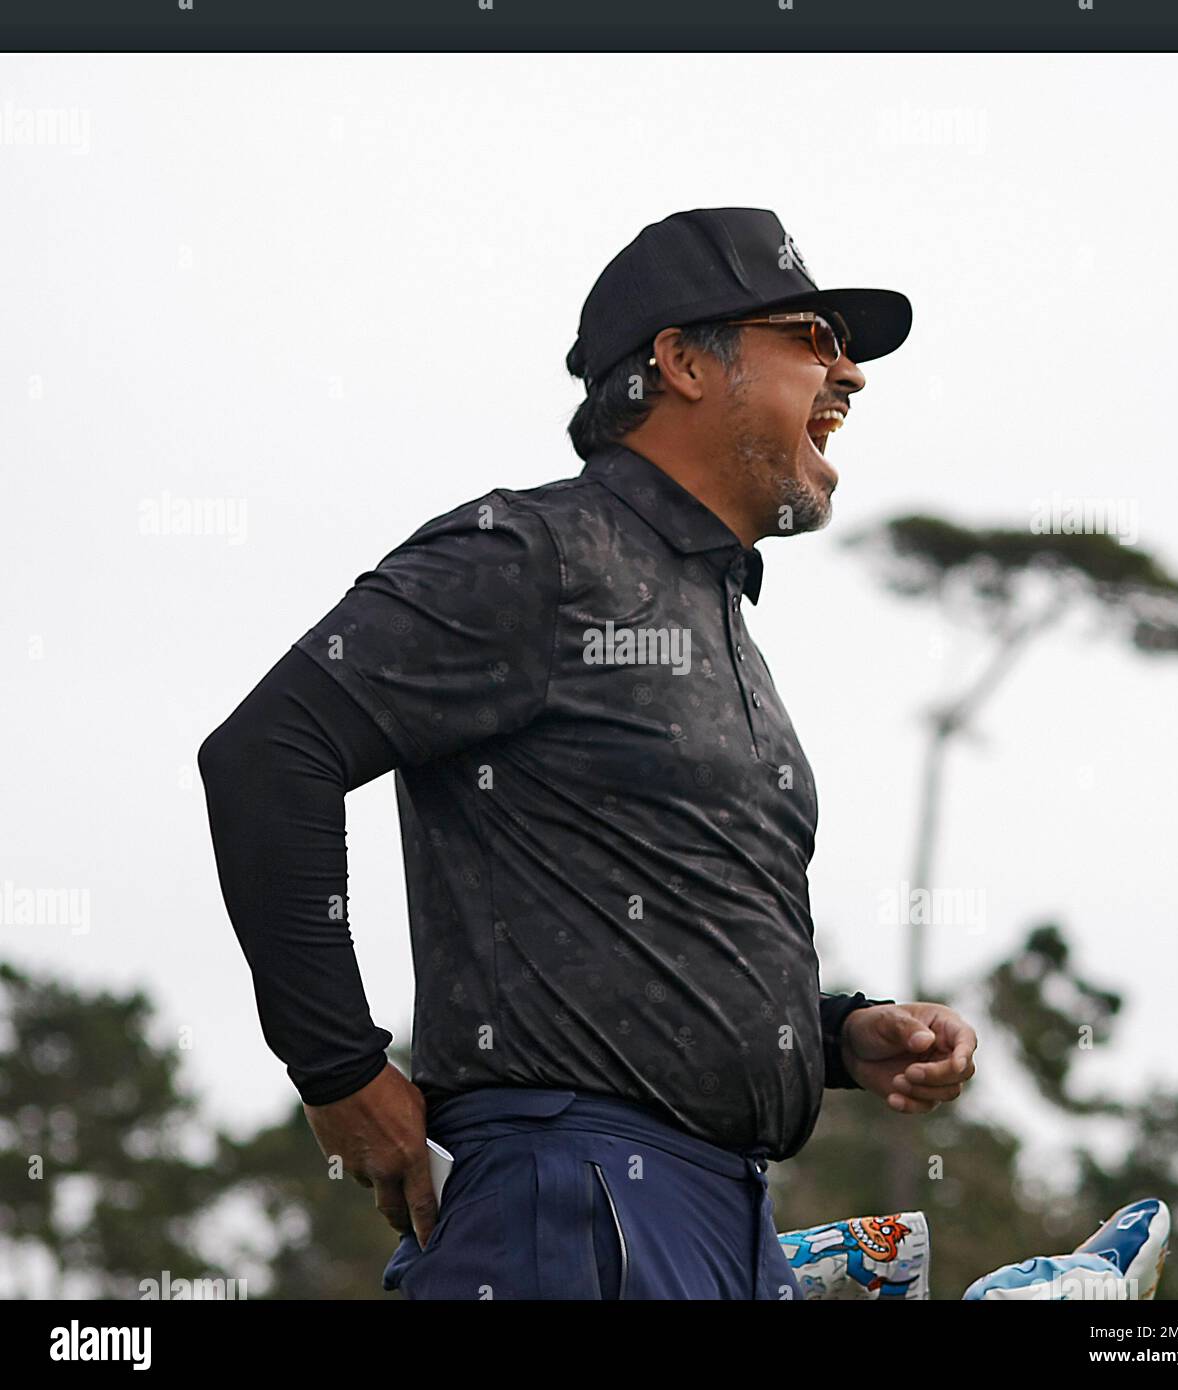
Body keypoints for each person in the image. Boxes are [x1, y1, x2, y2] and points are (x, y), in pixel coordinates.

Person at [198, 207, 979, 1300]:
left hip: (716, 1215)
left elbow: (637, 933)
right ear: (680, 364)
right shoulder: (535, 553)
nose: (847, 372)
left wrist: (838, 1038)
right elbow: (266, 752)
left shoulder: (716, 615)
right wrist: (338, 1069)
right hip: (569, 1199)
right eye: (810, 335)